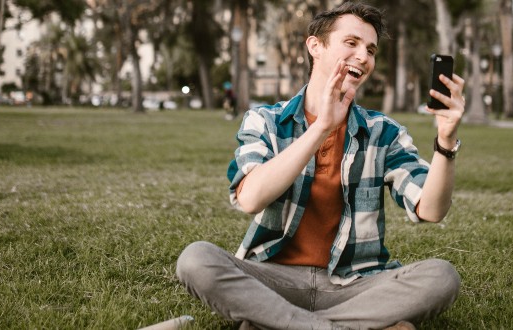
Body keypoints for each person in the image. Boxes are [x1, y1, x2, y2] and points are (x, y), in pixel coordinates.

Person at [177, 2, 466, 329]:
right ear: (315, 46)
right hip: (273, 278)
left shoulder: (383, 132)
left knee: (442, 276)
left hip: (354, 284)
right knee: (196, 259)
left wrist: (446, 142)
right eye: (351, 43)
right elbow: (250, 198)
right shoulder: (266, 121)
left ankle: (277, 323)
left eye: (370, 50)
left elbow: (431, 209)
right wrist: (321, 129)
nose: (363, 56)